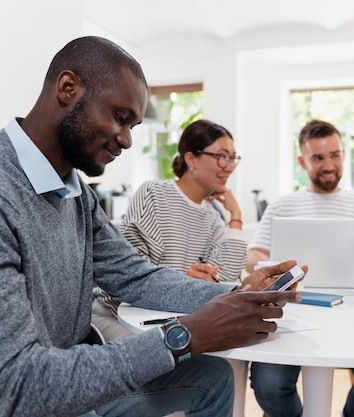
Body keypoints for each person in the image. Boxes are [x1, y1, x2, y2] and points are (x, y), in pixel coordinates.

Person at [0, 36, 301, 417]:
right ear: (67, 88)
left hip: (67, 375)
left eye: (133, 126)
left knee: (213, 377)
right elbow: (12, 390)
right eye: (120, 118)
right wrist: (184, 335)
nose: (125, 140)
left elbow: (137, 277)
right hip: (12, 401)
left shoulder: (75, 195)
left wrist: (235, 292)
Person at [247, 119, 354, 417]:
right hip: (292, 309)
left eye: (335, 155)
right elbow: (255, 256)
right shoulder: (283, 206)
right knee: (270, 385)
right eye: (318, 158)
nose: (329, 165)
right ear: (302, 161)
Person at [92, 118, 248, 341]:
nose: (230, 166)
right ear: (191, 159)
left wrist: (236, 217)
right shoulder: (153, 194)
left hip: (170, 317)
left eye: (233, 158)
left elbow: (228, 279)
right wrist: (185, 283)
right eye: (222, 156)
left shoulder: (213, 218)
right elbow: (130, 276)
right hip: (119, 314)